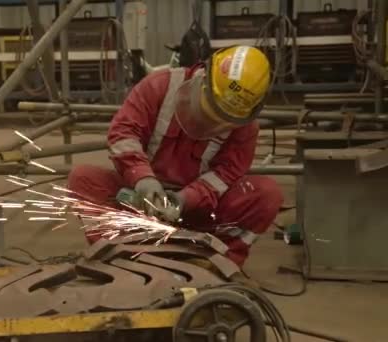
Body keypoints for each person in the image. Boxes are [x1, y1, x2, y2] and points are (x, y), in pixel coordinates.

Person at [68, 46, 283, 267]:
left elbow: (225, 175)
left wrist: (184, 200)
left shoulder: (245, 127)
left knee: (266, 194)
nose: (212, 123)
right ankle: (120, 255)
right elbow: (123, 133)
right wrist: (142, 178)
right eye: (209, 111)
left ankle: (217, 263)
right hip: (140, 201)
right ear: (204, 80)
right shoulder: (159, 86)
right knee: (83, 179)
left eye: (223, 120)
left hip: (197, 211)